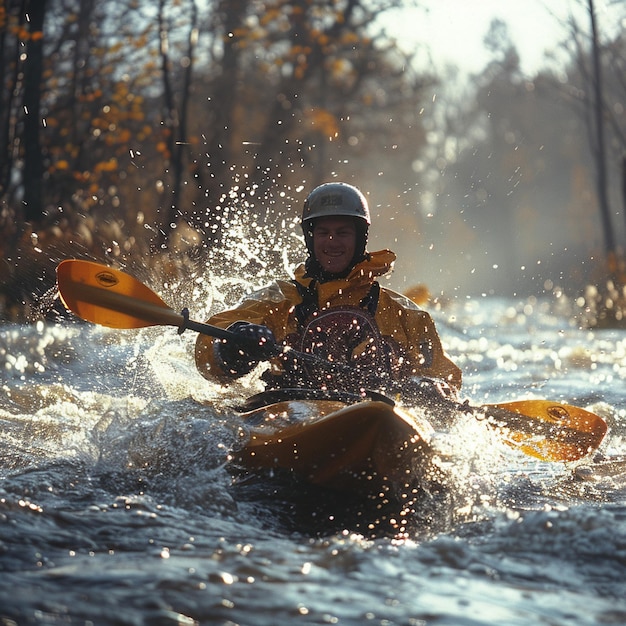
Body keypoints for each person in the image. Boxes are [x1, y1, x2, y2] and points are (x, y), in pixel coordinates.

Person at [195, 182, 461, 400]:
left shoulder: (403, 313)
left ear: (360, 238)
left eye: (343, 232)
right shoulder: (278, 300)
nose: (332, 241)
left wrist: (433, 388)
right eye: (323, 232)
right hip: (292, 415)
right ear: (311, 238)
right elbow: (208, 358)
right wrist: (232, 347)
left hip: (374, 420)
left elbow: (445, 378)